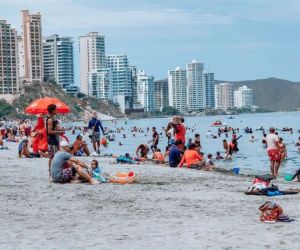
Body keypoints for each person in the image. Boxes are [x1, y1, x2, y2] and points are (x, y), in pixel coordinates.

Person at [46, 104, 64, 175]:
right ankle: (51, 172)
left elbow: (53, 129)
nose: (57, 111)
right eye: (56, 109)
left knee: (53, 156)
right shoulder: (50, 120)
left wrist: (59, 129)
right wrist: (59, 132)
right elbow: (49, 131)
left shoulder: (52, 119)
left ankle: (52, 171)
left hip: (54, 140)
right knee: (52, 157)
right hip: (52, 140)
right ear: (53, 110)